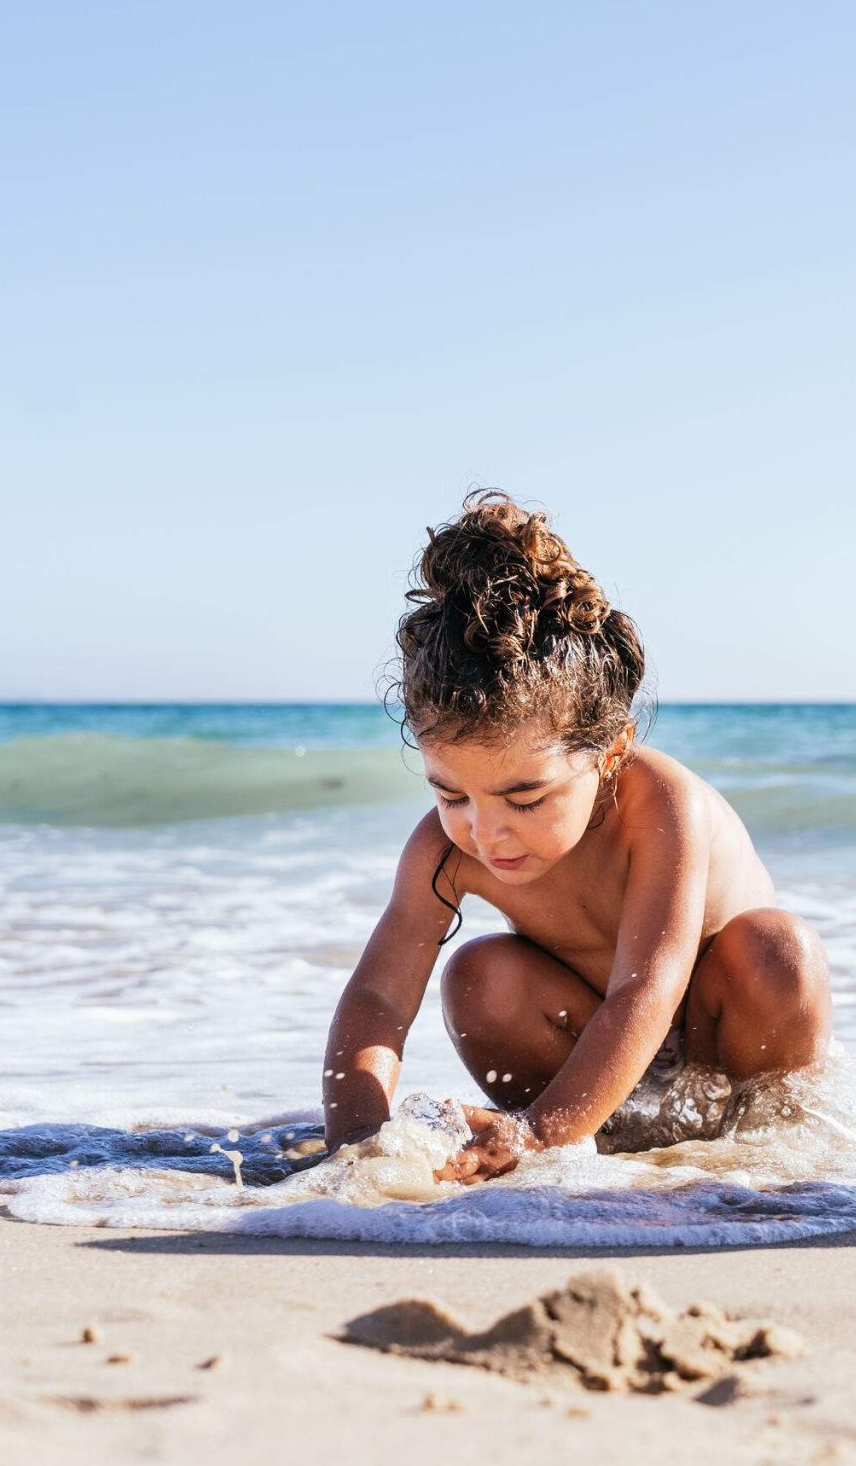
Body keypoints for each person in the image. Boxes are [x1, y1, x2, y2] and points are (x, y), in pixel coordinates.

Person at [321, 491, 830, 1182]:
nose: (485, 829)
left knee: (778, 949)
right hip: (587, 1044)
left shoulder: (661, 807)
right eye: (450, 794)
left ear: (611, 752)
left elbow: (648, 987)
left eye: (524, 797)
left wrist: (540, 1132)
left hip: (721, 1035)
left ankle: (743, 1152)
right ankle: (585, 1138)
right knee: (478, 977)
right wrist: (356, 1145)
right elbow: (378, 1000)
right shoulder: (445, 854)